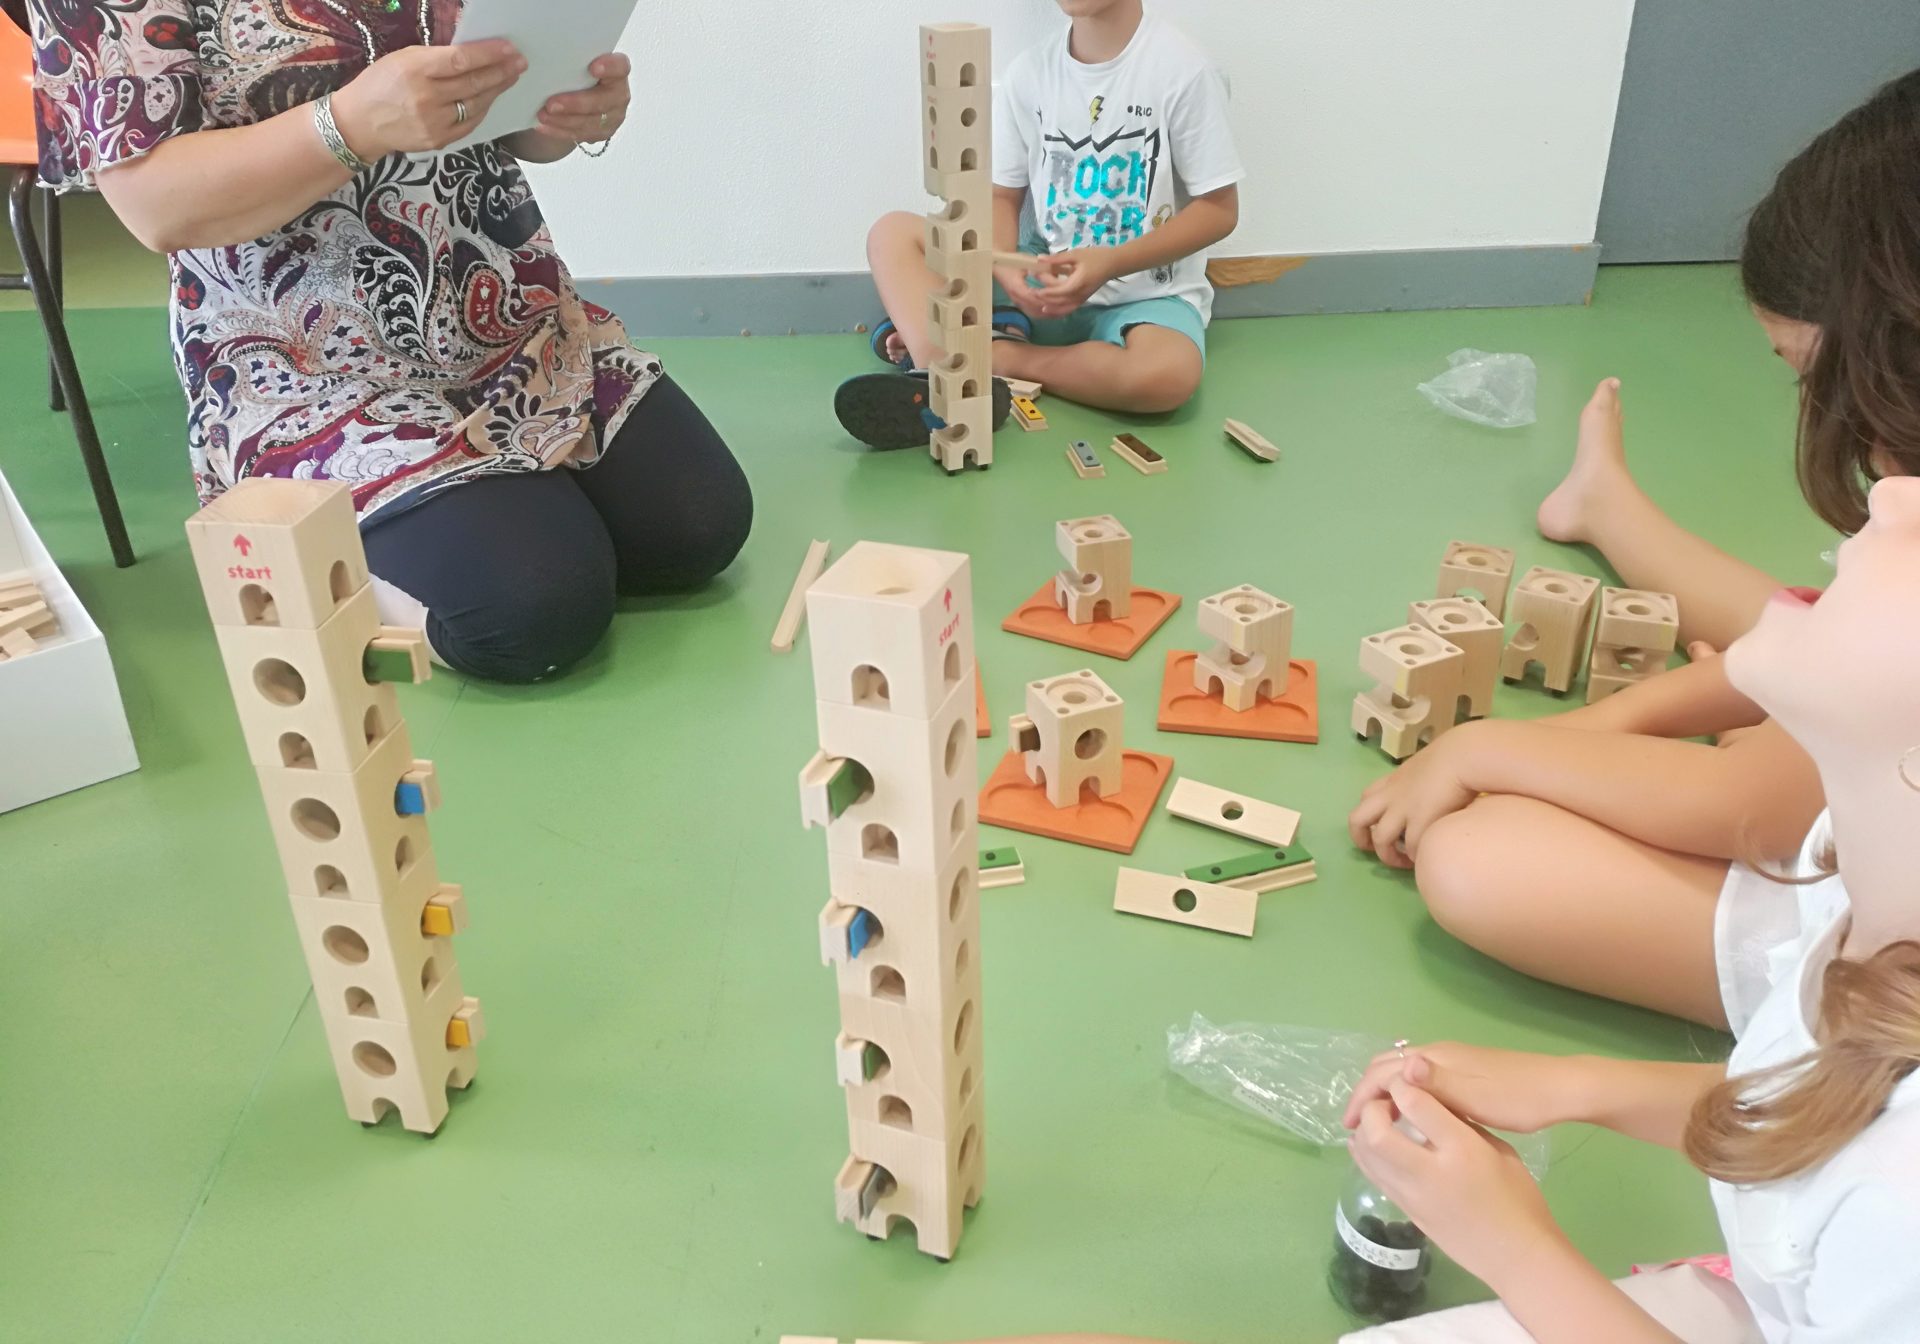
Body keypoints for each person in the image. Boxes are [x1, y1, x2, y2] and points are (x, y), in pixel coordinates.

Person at [1348, 71, 1920, 1024]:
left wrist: (1489, 749)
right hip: (1843, 783)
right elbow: (1800, 648)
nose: (1828, 425)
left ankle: (1612, 519)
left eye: (1811, 380)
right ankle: (1609, 512)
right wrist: (1595, 729)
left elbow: (1740, 806)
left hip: (1875, 971)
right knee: (1795, 629)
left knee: (1475, 858)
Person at [1333, 474, 1920, 1342]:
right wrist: (1580, 1084)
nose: (1895, 494)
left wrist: (1514, 1247)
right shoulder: (1866, 888)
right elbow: (1812, 1102)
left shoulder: (1902, 1208)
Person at [29, 0, 752, 683]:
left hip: (502, 309)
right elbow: (156, 204)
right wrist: (349, 125)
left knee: (698, 528)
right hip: (304, 364)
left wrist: (562, 113)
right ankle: (296, 541)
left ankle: (487, 505)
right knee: (532, 610)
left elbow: (495, 98)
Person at [836, 0, 1243, 448]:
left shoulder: (1185, 71)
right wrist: (1005, 267)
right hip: (1038, 287)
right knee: (892, 234)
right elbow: (1001, 197)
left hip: (1146, 298)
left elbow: (1219, 210)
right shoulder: (1028, 74)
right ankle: (951, 359)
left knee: (1166, 377)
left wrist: (1111, 263)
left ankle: (983, 358)